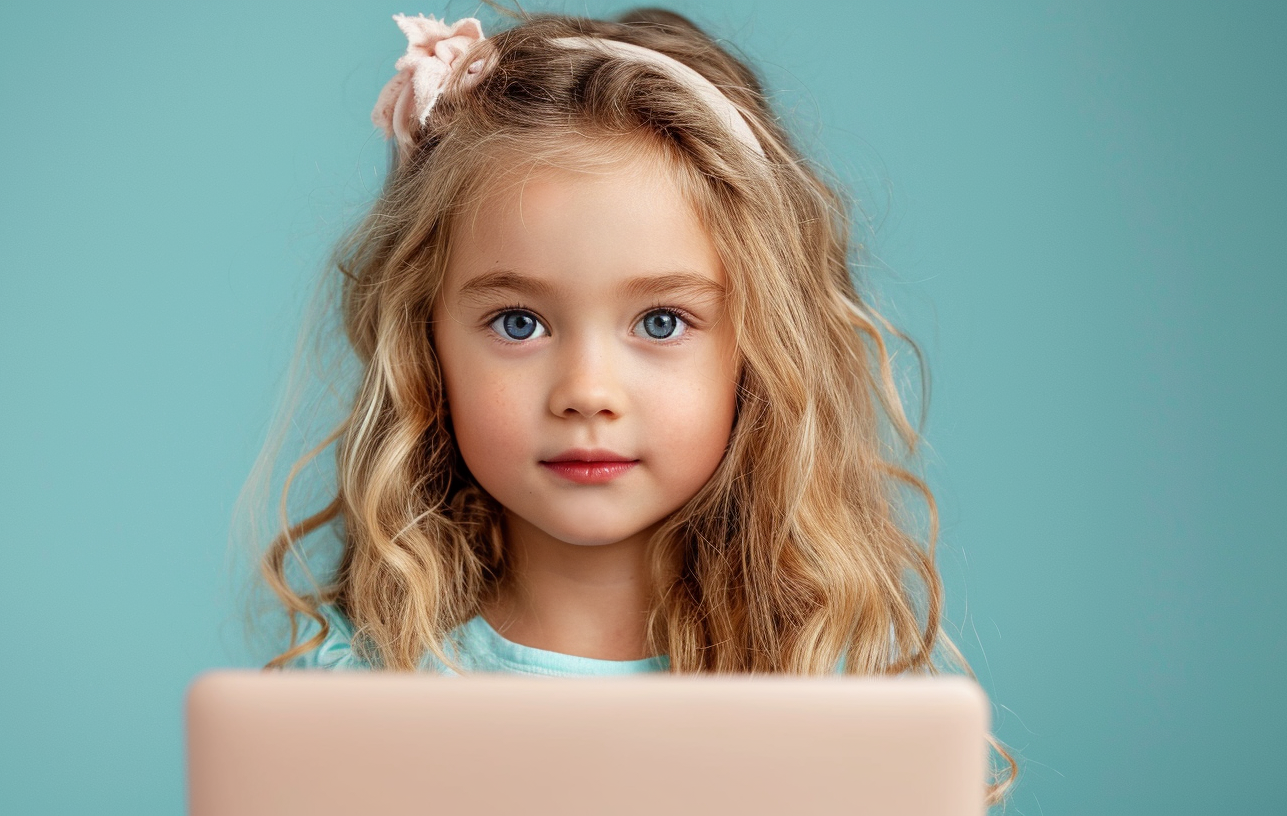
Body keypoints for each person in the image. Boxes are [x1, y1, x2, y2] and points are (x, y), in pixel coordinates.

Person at [241, 2, 1015, 802]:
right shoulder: (353, 699)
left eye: (661, 321)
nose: (587, 393)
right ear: (425, 346)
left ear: (758, 350)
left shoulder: (838, 699)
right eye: (519, 322)